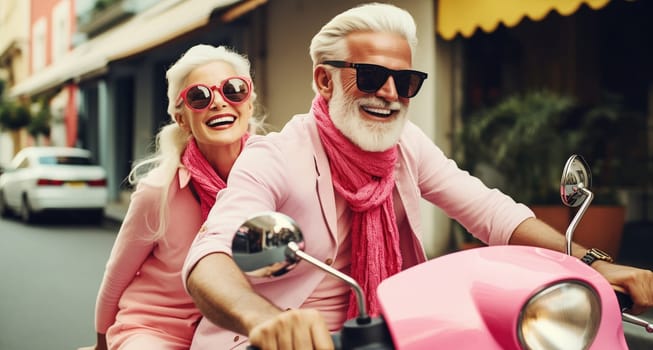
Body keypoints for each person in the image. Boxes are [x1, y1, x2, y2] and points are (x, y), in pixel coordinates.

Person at [182, 3, 653, 350]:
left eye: (405, 81)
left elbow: (491, 213)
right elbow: (209, 257)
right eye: (369, 76)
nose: (389, 94)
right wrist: (265, 321)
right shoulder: (278, 156)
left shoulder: (405, 148)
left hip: (394, 334)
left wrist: (595, 265)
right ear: (324, 82)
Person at [80, 44, 263, 350]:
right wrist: (101, 344)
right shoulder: (158, 190)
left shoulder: (276, 175)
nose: (218, 102)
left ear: (249, 105)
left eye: (233, 90)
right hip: (156, 329)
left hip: (232, 334)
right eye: (199, 96)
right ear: (181, 119)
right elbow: (116, 276)